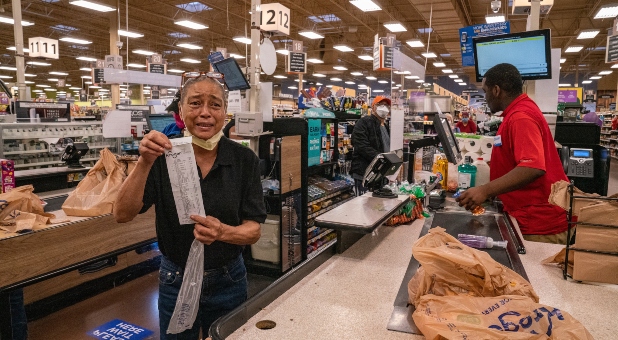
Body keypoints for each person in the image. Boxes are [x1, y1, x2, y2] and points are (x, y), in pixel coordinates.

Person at [114, 75, 267, 338]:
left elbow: (253, 230)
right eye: (195, 103)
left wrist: (222, 232)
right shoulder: (163, 156)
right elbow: (122, 214)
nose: (205, 113)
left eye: (215, 105)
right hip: (176, 277)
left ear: (225, 111)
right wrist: (145, 162)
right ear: (181, 110)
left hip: (229, 279)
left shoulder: (244, 160)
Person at [457, 63, 570, 244]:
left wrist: (485, 190)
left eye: (485, 91)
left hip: (539, 223)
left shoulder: (520, 117)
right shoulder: (517, 112)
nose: (485, 97)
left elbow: (532, 167)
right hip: (530, 216)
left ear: (496, 90)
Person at [350, 95, 391, 195]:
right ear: (373, 107)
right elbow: (361, 146)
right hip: (364, 174)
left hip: (380, 174)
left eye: (386, 105)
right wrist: (381, 158)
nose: (383, 107)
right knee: (364, 207)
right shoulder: (364, 122)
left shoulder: (386, 126)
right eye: (380, 104)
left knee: (377, 207)